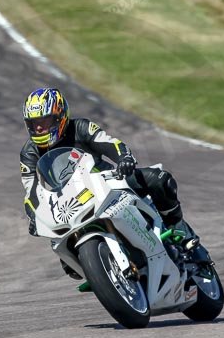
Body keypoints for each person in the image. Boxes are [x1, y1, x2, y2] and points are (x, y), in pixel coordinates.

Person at [20, 88, 197, 280]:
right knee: (68, 262)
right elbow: (31, 191)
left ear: (60, 116)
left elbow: (110, 144)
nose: (38, 128)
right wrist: (33, 215)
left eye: (44, 121)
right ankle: (101, 272)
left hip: (106, 181)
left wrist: (124, 159)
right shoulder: (29, 153)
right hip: (68, 203)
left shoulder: (80, 127)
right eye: (34, 123)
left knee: (159, 179)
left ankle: (180, 229)